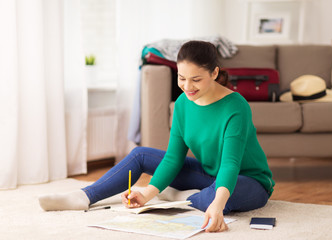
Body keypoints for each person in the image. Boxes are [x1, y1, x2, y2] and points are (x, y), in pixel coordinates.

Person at [39, 40, 275, 233]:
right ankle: (84, 197)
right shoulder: (183, 103)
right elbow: (173, 158)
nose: (187, 86)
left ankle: (185, 197)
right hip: (208, 173)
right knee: (141, 154)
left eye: (196, 79)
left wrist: (216, 205)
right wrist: (147, 193)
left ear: (214, 73)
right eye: (181, 78)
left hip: (249, 181)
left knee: (223, 200)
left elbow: (230, 164)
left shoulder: (236, 106)